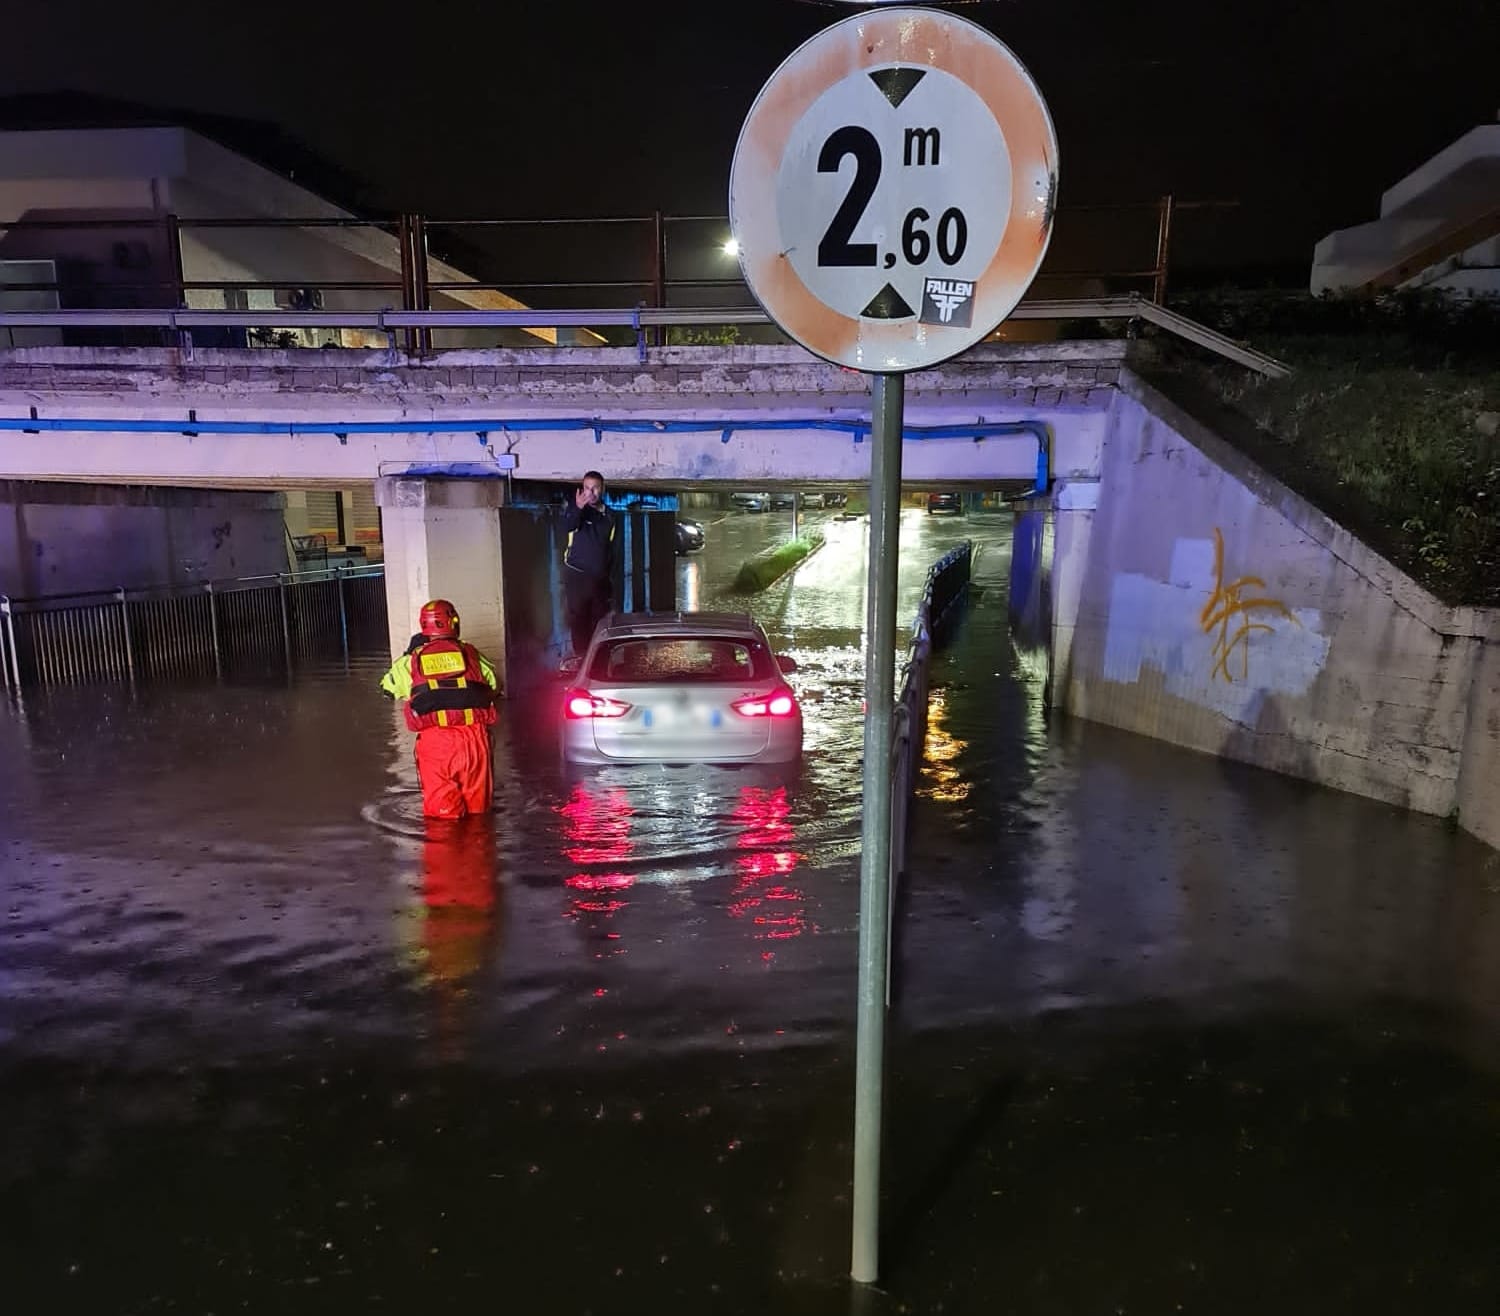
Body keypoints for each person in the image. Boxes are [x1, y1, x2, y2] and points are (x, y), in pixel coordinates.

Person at [379, 599, 500, 819]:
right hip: (475, 740)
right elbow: (493, 685)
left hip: (436, 744)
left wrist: (409, 659)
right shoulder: (472, 654)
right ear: (454, 622)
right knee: (479, 817)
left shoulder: (411, 661)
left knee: (442, 821)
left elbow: (387, 688)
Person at [560, 469, 615, 659]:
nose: (590, 493)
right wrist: (577, 508)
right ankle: (581, 659)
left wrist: (608, 577)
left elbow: (610, 548)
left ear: (603, 489)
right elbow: (568, 525)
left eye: (595, 488)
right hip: (577, 575)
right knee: (579, 619)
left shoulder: (610, 516)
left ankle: (598, 659)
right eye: (586, 488)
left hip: (599, 577)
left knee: (600, 620)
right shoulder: (578, 511)